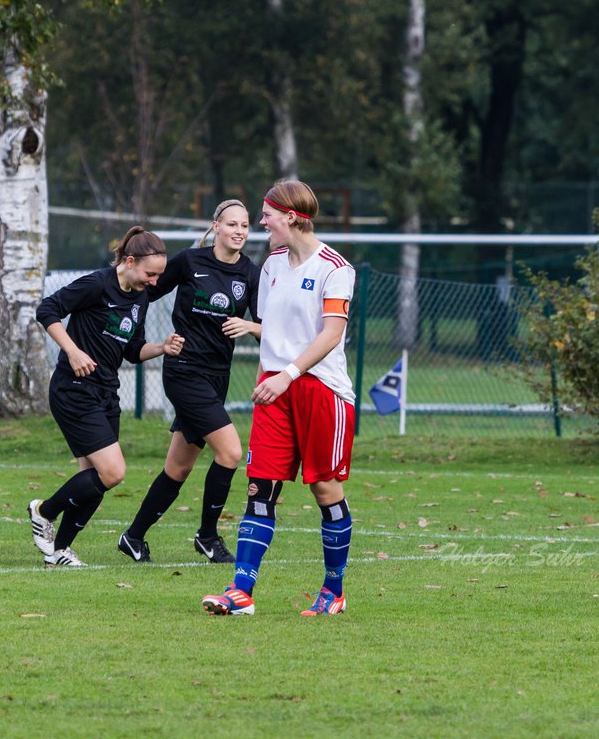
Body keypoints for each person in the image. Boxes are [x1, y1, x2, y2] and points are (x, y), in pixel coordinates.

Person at [201, 179, 356, 617]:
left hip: (321, 391)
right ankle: (241, 592)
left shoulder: (335, 268)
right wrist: (271, 376)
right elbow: (272, 329)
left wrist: (288, 374)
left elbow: (331, 334)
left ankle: (333, 593)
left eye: (267, 215)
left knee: (325, 489)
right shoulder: (270, 265)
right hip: (275, 391)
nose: (261, 223)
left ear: (290, 216)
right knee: (259, 489)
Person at [28, 227, 184, 567]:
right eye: (150, 273)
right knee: (112, 472)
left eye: (159, 275)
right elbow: (47, 310)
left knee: (94, 480)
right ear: (129, 261)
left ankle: (58, 552)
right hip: (74, 390)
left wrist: (161, 347)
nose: (155, 282)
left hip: (106, 393)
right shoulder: (97, 284)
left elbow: (131, 350)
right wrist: (72, 351)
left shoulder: (140, 297)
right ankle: (43, 511)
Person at [116, 200, 261, 564]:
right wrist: (142, 340)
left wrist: (250, 326)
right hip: (183, 372)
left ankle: (133, 537)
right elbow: (144, 291)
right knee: (229, 452)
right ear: (215, 226)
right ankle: (208, 537)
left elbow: (268, 330)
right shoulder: (189, 261)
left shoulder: (250, 273)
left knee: (178, 468)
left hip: (217, 377)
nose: (239, 231)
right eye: (231, 224)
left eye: (245, 225)